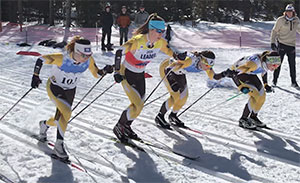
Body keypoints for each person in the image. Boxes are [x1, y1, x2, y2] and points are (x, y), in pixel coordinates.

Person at [31, 36, 114, 159]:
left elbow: (97, 74)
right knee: (67, 112)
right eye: (84, 56)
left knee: (60, 118)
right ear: (76, 52)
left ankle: (44, 125)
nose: (86, 58)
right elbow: (40, 60)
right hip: (55, 87)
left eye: (88, 55)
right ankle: (59, 145)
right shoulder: (62, 59)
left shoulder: (88, 60)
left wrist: (105, 70)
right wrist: (35, 76)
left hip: (70, 90)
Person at [112, 13, 179, 142]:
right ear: (151, 29)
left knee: (140, 105)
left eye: (163, 31)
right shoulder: (138, 41)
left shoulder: (160, 43)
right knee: (137, 104)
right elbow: (120, 51)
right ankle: (119, 126)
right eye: (159, 31)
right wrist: (116, 71)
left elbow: (171, 52)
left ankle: (126, 126)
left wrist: (178, 56)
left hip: (140, 74)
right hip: (127, 73)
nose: (161, 34)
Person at [216, 51, 281, 129]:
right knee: (256, 95)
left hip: (249, 74)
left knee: (262, 95)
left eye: (277, 65)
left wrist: (266, 84)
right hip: (238, 74)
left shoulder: (265, 62)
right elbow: (233, 74)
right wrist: (241, 87)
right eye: (274, 65)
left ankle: (253, 117)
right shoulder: (253, 64)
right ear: (267, 61)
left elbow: (264, 71)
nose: (275, 67)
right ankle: (243, 119)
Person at [155, 50, 219, 129]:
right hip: (167, 70)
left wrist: (223, 75)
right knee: (175, 96)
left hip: (179, 72)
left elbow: (212, 75)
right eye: (206, 65)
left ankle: (173, 116)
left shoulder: (205, 64)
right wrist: (172, 83)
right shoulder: (189, 60)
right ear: (201, 60)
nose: (207, 68)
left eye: (210, 66)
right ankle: (159, 117)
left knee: (184, 97)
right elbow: (169, 68)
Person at [270, 4, 300, 89]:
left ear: (293, 12)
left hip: (291, 45)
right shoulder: (280, 20)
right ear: (285, 12)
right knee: (277, 63)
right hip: (281, 44)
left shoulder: (296, 20)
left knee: (292, 64)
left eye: (290, 12)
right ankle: (274, 81)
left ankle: (293, 82)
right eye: (287, 12)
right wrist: (272, 42)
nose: (289, 13)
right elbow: (274, 31)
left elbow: (299, 29)